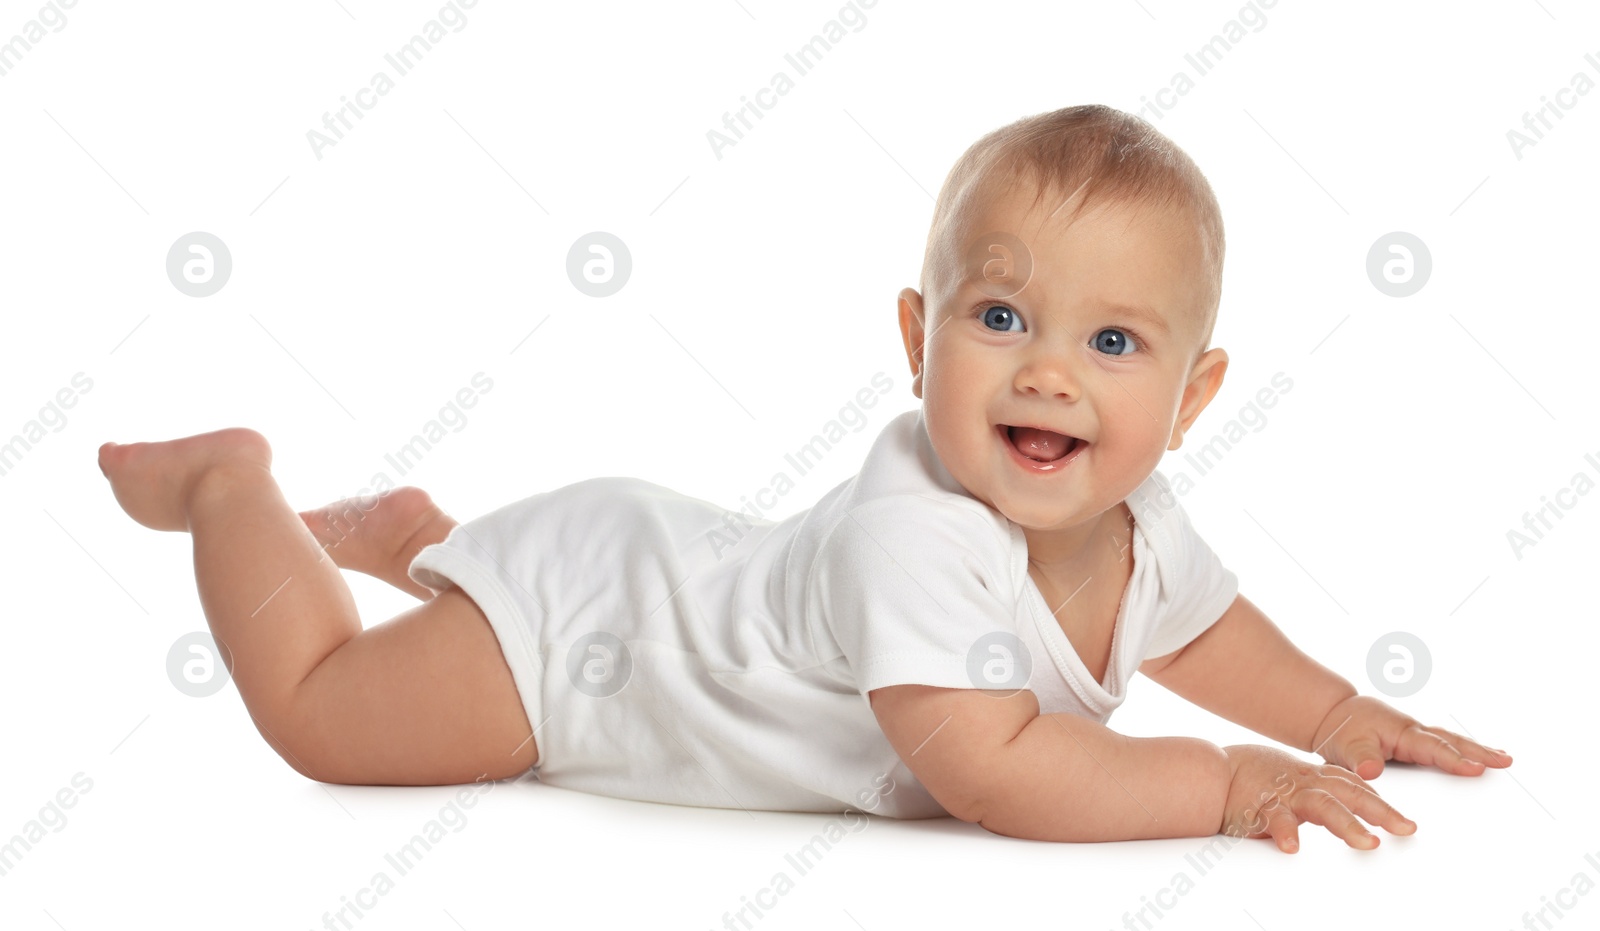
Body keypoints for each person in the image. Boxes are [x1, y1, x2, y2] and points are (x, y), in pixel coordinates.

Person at [97, 104, 1511, 852]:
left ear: (1194, 394)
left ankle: (423, 539)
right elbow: (998, 773)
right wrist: (1222, 783)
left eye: (1117, 341)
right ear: (919, 339)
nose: (1049, 374)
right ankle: (234, 491)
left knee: (457, 616)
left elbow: (1204, 631)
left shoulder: (1137, 526)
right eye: (1000, 318)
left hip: (663, 569)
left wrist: (1339, 715)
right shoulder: (918, 535)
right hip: (584, 645)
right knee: (328, 723)